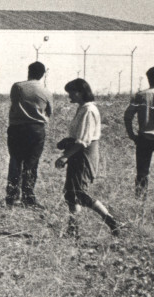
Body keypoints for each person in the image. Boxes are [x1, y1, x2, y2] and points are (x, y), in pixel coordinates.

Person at [56, 78, 121, 237]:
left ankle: (109, 219)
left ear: (79, 92)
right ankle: (73, 229)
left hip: (83, 155)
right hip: (77, 153)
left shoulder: (88, 110)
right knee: (71, 193)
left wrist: (65, 157)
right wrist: (68, 141)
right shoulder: (82, 108)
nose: (69, 96)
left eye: (71, 93)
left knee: (78, 192)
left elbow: (84, 141)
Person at [5, 61, 53, 208]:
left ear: (29, 71)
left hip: (17, 128)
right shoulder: (46, 91)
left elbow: (14, 103)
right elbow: (49, 112)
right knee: (32, 164)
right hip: (36, 129)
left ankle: (12, 196)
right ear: (43, 74)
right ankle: (28, 196)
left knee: (15, 161)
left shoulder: (17, 87)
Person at [123, 66, 154, 197]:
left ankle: (140, 201)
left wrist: (131, 135)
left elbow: (127, 116)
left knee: (142, 171)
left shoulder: (140, 96)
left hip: (144, 138)